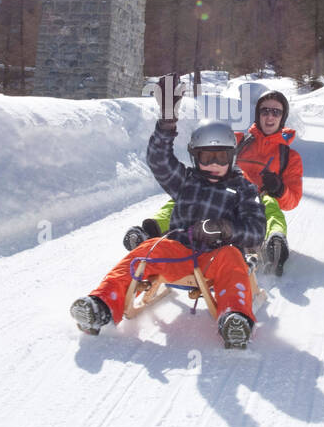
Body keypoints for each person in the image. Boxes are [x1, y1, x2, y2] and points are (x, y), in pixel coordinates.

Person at [72, 116, 267, 349]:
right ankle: (102, 304)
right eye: (207, 157)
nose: (214, 163)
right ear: (195, 157)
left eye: (221, 156)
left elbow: (256, 231)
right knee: (148, 249)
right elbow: (159, 161)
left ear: (232, 156)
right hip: (178, 252)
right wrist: (166, 125)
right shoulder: (186, 181)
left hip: (216, 259)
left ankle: (235, 319)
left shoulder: (244, 189)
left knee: (233, 258)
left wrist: (224, 229)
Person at [122, 90, 302, 276]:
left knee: (272, 206)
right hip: (226, 193)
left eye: (276, 112)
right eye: (265, 111)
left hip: (255, 200)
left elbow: (293, 200)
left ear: (283, 117)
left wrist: (279, 189)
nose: (270, 116)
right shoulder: (238, 140)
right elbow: (209, 142)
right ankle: (150, 230)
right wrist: (168, 123)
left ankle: (275, 241)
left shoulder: (289, 157)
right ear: (258, 114)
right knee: (187, 197)